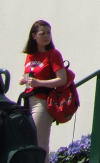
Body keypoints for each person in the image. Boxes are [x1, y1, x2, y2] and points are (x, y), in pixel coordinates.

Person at [19, 21, 68, 155]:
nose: (46, 36)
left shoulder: (54, 54)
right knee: (28, 141)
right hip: (28, 100)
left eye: (48, 33)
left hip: (43, 102)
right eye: (42, 33)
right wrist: (23, 80)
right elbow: (30, 77)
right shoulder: (30, 55)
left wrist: (39, 83)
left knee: (40, 142)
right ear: (33, 36)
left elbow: (62, 80)